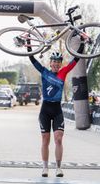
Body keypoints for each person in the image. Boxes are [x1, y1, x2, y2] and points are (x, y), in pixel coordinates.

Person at [28, 42, 84, 178]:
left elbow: (76, 59)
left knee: (58, 139)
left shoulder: (64, 71)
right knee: (45, 140)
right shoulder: (44, 72)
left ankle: (58, 167)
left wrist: (81, 43)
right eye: (54, 61)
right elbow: (32, 59)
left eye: (59, 62)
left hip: (57, 109)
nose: (56, 64)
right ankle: (45, 167)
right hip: (45, 110)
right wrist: (29, 45)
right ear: (50, 63)